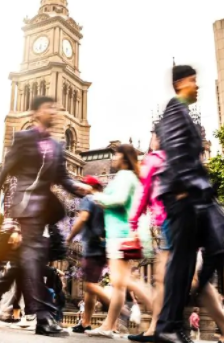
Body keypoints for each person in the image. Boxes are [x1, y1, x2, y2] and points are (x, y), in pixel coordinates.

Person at [0, 95, 90, 336]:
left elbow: (62, 178)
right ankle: (43, 317)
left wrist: (79, 187)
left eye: (55, 108)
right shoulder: (23, 138)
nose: (53, 112)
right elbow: (4, 173)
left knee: (29, 262)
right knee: (32, 261)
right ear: (36, 113)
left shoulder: (57, 146)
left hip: (43, 211)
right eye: (48, 108)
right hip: (23, 208)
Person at [155, 65, 224, 343]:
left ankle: (175, 317)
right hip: (184, 195)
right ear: (180, 83)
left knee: (210, 252)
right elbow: (175, 149)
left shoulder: (182, 113)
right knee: (183, 261)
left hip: (195, 195)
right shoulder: (175, 110)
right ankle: (169, 325)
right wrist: (183, 189)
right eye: (193, 80)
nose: (197, 85)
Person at [86, 144, 153, 339]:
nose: (113, 158)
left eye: (116, 155)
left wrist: (95, 196)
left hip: (120, 235)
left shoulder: (125, 176)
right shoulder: (130, 176)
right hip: (121, 233)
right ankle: (108, 326)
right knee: (120, 285)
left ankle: (160, 313)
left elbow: (119, 200)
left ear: (124, 158)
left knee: (122, 281)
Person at [129, 131, 168, 343]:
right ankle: (156, 328)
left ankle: (158, 328)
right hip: (179, 222)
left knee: (163, 279)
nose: (151, 139)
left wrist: (133, 222)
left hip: (168, 223)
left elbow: (144, 193)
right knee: (168, 278)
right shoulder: (179, 158)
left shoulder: (153, 159)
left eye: (153, 135)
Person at [68, 175, 111, 334]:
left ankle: (117, 306)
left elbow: (83, 218)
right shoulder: (105, 201)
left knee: (89, 285)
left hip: (92, 247)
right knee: (90, 287)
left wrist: (70, 237)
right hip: (104, 246)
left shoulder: (89, 199)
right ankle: (85, 322)